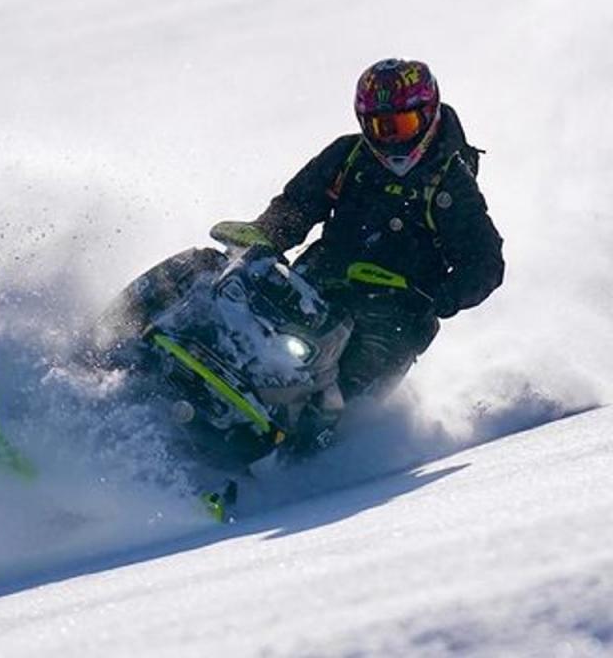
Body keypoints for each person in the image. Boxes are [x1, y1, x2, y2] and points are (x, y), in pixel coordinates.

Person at [211, 58, 504, 419]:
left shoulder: (450, 183)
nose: (392, 138)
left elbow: (485, 261)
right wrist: (267, 235)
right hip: (321, 281)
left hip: (397, 313)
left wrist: (441, 296)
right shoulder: (348, 155)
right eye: (380, 127)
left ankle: (320, 439)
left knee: (344, 394)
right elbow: (298, 205)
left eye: (402, 125)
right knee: (224, 283)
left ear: (428, 116)